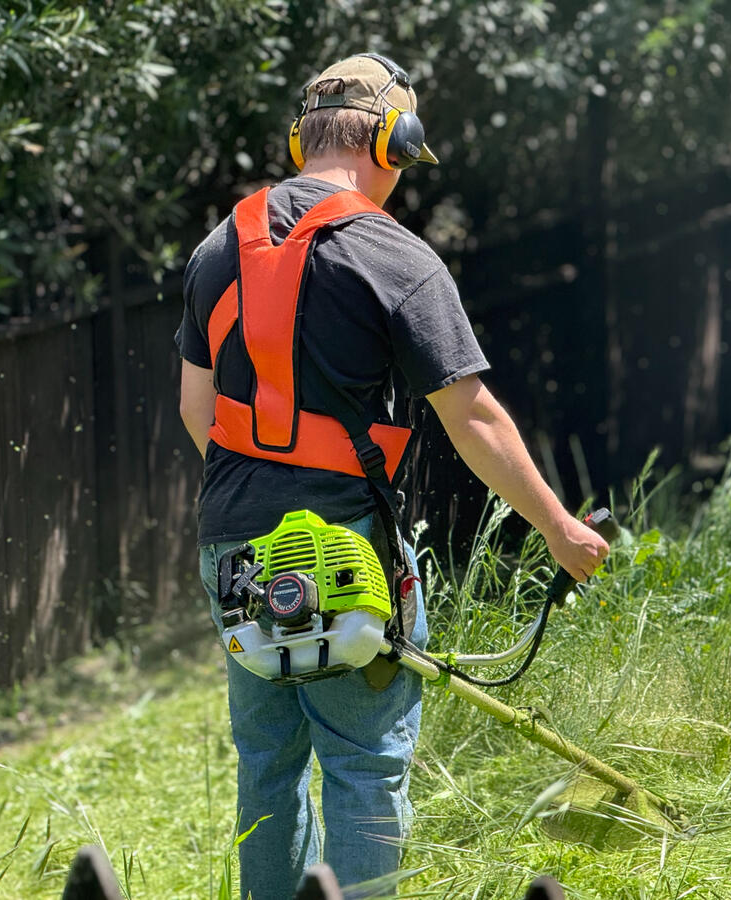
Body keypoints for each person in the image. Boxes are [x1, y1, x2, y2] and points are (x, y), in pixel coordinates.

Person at [176, 52, 608, 899]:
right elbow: (473, 418)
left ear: (301, 141)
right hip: (347, 554)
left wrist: (261, 506)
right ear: (393, 145)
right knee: (364, 764)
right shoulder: (395, 257)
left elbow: (198, 412)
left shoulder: (217, 249)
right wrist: (560, 529)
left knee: (267, 766)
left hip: (234, 550)